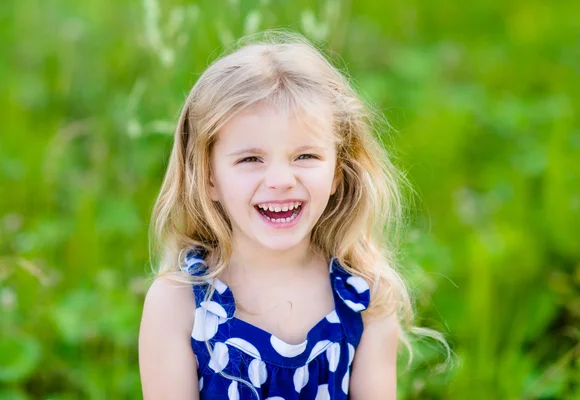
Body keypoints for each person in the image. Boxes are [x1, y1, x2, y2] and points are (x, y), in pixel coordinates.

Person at [139, 31, 447, 399]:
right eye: (251, 159)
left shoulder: (363, 299)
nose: (282, 181)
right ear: (208, 178)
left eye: (306, 156)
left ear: (337, 172)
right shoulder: (178, 305)